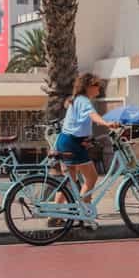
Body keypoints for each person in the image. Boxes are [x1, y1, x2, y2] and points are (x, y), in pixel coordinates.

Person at [51, 73, 119, 228]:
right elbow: (93, 115)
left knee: (69, 181)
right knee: (92, 177)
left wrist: (86, 140)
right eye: (96, 85)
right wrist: (107, 123)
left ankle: (54, 215)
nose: (98, 88)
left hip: (66, 141)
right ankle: (84, 212)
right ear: (88, 87)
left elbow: (78, 124)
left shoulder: (76, 100)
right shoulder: (84, 101)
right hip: (72, 143)